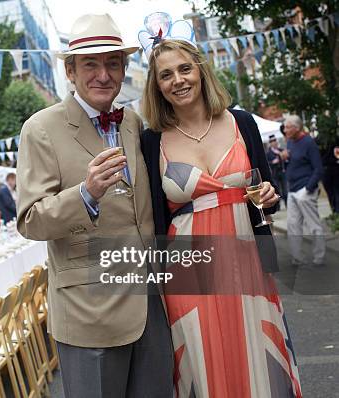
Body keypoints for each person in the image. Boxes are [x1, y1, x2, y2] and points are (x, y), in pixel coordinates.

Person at [138, 27, 302, 397]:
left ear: (200, 71)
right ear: (156, 85)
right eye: (166, 74)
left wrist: (269, 196)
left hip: (246, 258)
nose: (177, 80)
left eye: (184, 69)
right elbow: (151, 213)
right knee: (200, 359)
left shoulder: (241, 122)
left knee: (257, 353)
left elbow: (267, 191)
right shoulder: (152, 140)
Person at [17, 14, 173, 398]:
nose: (103, 74)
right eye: (91, 64)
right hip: (90, 311)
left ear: (123, 69)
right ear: (70, 71)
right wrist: (85, 193)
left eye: (112, 63)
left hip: (151, 304)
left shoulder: (132, 121)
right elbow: (30, 221)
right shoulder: (40, 129)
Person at [283, 114, 326, 267]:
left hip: (304, 191)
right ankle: (298, 258)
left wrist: (308, 188)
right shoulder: (290, 143)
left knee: (313, 225)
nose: (285, 130)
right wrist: (286, 158)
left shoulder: (309, 143)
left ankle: (319, 258)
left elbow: (318, 169)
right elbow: (293, 164)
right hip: (292, 190)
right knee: (293, 225)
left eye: (288, 127)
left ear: (297, 128)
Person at [266, 135, 288, 207]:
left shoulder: (281, 150)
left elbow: (286, 161)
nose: (274, 142)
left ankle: (287, 204)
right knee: (277, 190)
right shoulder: (268, 153)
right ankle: (277, 206)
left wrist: (283, 158)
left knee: (285, 190)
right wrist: (273, 162)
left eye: (274, 140)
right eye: (272, 141)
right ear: (270, 143)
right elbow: (267, 163)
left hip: (282, 172)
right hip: (274, 173)